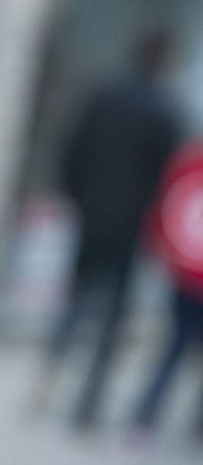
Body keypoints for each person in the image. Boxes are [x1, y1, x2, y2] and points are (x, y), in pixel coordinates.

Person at [44, 27, 182, 428]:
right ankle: (89, 400)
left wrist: (77, 196)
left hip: (92, 215)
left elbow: (73, 148)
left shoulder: (103, 97)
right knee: (113, 316)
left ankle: (49, 377)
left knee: (75, 299)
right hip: (130, 226)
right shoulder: (164, 113)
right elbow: (165, 181)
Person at [129, 140, 203, 437]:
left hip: (184, 273)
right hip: (187, 273)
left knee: (172, 350)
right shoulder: (188, 162)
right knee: (173, 350)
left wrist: (164, 250)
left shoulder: (188, 161)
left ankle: (143, 421)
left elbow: (164, 208)